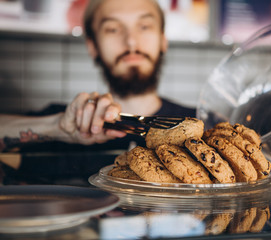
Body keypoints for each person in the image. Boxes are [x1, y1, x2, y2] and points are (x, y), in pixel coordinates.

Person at [0, 0, 195, 184]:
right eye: (113, 29)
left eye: (144, 26)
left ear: (163, 41)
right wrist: (56, 126)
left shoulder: (201, 125)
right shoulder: (63, 123)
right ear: (92, 46)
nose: (131, 42)